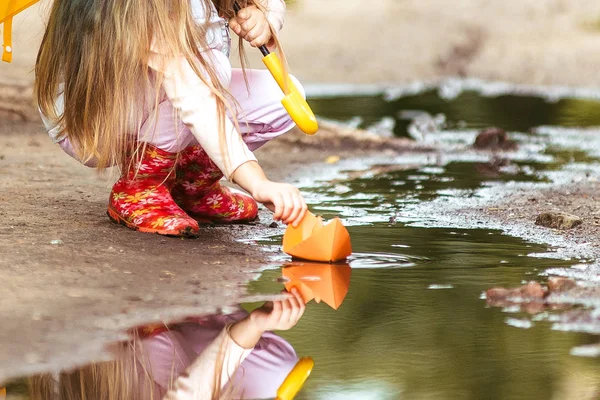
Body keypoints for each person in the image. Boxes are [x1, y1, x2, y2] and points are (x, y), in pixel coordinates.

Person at [35, 0, 308, 237]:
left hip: (164, 96)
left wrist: (265, 16)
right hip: (96, 120)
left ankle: (190, 187)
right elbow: (192, 93)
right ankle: (140, 188)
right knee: (210, 69)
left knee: (278, 96)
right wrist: (256, 181)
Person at [29, 289, 306, 400]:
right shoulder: (269, 377)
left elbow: (187, 390)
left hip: (114, 345)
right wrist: (257, 321)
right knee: (277, 370)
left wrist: (254, 325)